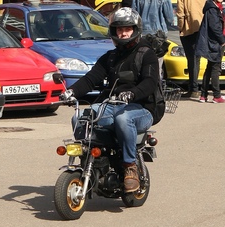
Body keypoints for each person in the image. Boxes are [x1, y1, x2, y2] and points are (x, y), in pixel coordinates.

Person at [61, 7, 159, 193]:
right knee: (79, 117)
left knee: (124, 119)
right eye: (119, 29)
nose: (123, 33)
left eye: (127, 28)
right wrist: (71, 92)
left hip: (141, 108)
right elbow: (90, 79)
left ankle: (130, 167)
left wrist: (133, 94)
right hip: (112, 106)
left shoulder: (146, 54)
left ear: (135, 29)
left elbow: (150, 82)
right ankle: (90, 160)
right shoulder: (110, 57)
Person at [128, 0, 174, 80]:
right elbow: (170, 18)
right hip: (159, 34)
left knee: (141, 61)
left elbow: (133, 16)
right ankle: (156, 87)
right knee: (157, 64)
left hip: (142, 33)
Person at [195, 0, 225, 103]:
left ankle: (203, 95)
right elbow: (215, 27)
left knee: (210, 68)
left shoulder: (214, 7)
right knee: (216, 68)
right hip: (214, 43)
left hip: (213, 42)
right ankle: (216, 95)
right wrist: (222, 41)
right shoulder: (212, 8)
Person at [177, 0, 205, 99]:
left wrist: (180, 27)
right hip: (202, 26)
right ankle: (196, 88)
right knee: (197, 59)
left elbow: (180, 13)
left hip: (189, 28)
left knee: (192, 59)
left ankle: (193, 88)